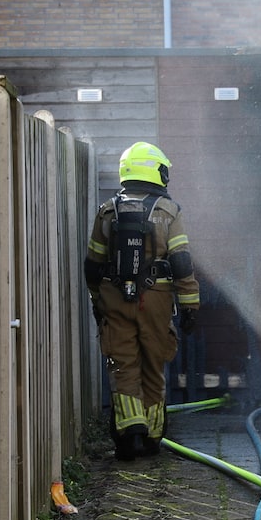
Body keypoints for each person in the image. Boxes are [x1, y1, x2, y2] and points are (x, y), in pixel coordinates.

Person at [84, 141, 201, 461]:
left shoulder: (107, 210)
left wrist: (99, 300)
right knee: (153, 362)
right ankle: (151, 435)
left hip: (113, 297)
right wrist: (190, 305)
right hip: (157, 298)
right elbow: (182, 263)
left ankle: (129, 428)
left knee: (123, 362)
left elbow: (92, 265)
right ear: (155, 171)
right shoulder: (169, 212)